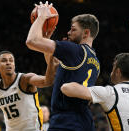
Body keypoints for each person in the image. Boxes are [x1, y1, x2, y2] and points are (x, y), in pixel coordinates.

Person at [61, 13, 129, 131]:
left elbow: (65, 88)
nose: (111, 71)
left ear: (118, 71)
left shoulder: (110, 93)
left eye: (113, 67)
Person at [26, 1, 100, 131]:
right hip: (85, 122)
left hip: (66, 122)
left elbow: (31, 41)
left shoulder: (75, 50)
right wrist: (46, 43)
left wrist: (41, 17)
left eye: (73, 29)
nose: (68, 32)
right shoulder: (95, 61)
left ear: (86, 33)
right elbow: (54, 68)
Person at [0, 50, 57, 131]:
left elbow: (47, 81)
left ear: (14, 64)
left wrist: (51, 61)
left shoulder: (25, 80)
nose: (8, 63)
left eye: (11, 60)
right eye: (4, 60)